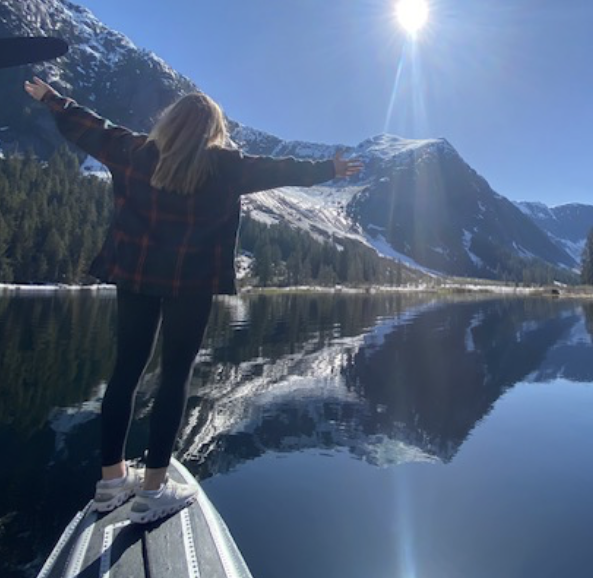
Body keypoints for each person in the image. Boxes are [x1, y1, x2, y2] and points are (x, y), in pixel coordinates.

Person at [24, 77, 362, 523]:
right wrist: (327, 169)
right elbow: (279, 169)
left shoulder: (133, 150)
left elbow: (88, 126)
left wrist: (51, 99)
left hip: (135, 275)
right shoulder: (228, 166)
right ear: (214, 130)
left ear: (169, 122)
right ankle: (153, 489)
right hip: (191, 283)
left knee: (125, 372)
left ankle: (110, 483)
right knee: (175, 377)